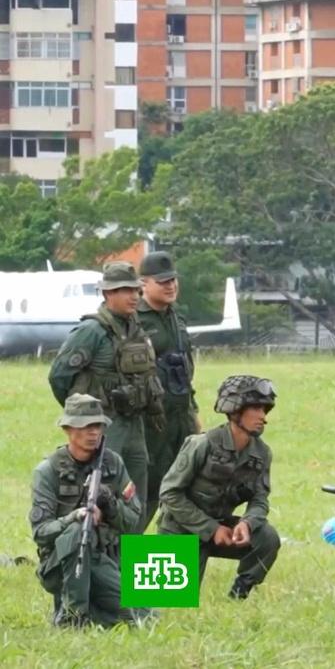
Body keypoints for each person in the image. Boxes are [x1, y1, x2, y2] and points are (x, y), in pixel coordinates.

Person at [48, 261, 166, 532]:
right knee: (101, 490)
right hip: (105, 424)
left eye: (136, 290)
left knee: (134, 494)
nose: (134, 296)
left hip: (135, 424)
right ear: (107, 294)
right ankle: (99, 557)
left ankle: (129, 563)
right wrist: (82, 417)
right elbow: (59, 376)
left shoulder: (135, 328)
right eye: (125, 290)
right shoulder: (91, 331)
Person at [29, 394, 156, 628]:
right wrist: (74, 517)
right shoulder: (47, 471)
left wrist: (110, 507)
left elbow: (132, 522)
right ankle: (72, 618)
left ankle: (91, 612)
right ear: (68, 429)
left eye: (97, 425)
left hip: (105, 559)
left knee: (145, 619)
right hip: (60, 564)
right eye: (85, 426)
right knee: (78, 531)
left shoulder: (113, 464)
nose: (93, 432)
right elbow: (41, 532)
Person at [156, 375, 281, 600]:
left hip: (222, 529)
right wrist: (211, 529)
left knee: (267, 537)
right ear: (235, 411)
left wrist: (247, 523)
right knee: (162, 605)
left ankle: (239, 595)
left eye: (265, 409)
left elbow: (260, 499)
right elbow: (169, 493)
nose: (263, 416)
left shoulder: (262, 454)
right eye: (255, 408)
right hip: (179, 531)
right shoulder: (202, 444)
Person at [136, 251, 204, 534]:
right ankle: (120, 558)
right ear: (144, 284)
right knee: (148, 490)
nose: (170, 286)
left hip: (182, 416)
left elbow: (184, 370)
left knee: (186, 488)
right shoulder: (133, 319)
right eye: (162, 281)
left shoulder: (177, 317)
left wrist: (195, 412)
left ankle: (170, 560)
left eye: (173, 280)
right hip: (152, 420)